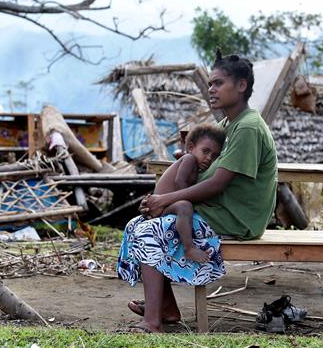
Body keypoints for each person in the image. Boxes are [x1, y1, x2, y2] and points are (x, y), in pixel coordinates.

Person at [117, 48, 278, 333]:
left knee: (150, 231)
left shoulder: (249, 128)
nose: (211, 88)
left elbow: (217, 183)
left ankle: (152, 321)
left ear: (241, 86)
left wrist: (165, 198)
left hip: (236, 219)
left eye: (218, 83)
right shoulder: (227, 124)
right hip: (218, 211)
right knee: (137, 224)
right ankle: (164, 308)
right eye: (210, 83)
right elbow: (197, 162)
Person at [151, 123, 226, 263]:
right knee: (185, 206)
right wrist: (193, 202)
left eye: (214, 156)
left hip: (167, 205)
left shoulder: (198, 167)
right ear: (191, 148)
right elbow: (180, 182)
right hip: (162, 206)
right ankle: (188, 248)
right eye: (205, 151)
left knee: (185, 206)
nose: (209, 158)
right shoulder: (189, 159)